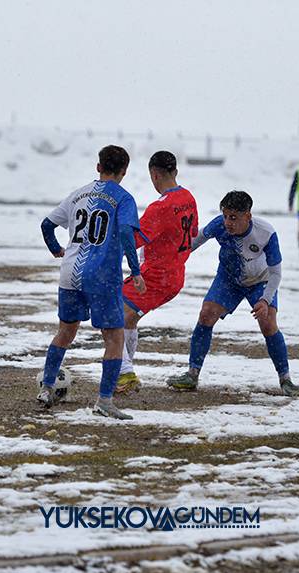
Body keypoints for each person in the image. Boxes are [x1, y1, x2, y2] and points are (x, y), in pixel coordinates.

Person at [38, 145, 146, 419]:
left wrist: (55, 249)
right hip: (101, 277)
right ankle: (105, 401)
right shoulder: (123, 198)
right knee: (113, 337)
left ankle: (47, 387)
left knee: (65, 331)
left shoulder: (78, 195)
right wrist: (135, 270)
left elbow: (46, 225)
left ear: (98, 167)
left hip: (70, 273)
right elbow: (124, 232)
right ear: (124, 171)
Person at [167, 190, 298, 396]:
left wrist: (265, 300)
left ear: (248, 216)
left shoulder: (265, 233)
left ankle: (286, 379)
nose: (228, 222)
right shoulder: (219, 224)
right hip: (229, 279)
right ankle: (192, 375)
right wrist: (171, 260)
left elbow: (276, 273)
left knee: (268, 323)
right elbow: (195, 241)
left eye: (234, 217)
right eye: (226, 215)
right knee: (206, 314)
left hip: (260, 281)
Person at [116, 151, 198, 393]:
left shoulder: (160, 207)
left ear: (154, 174)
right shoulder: (188, 197)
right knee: (128, 318)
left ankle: (123, 373)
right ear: (175, 172)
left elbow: (134, 240)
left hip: (157, 276)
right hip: (174, 274)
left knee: (112, 314)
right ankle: (123, 370)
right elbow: (192, 233)